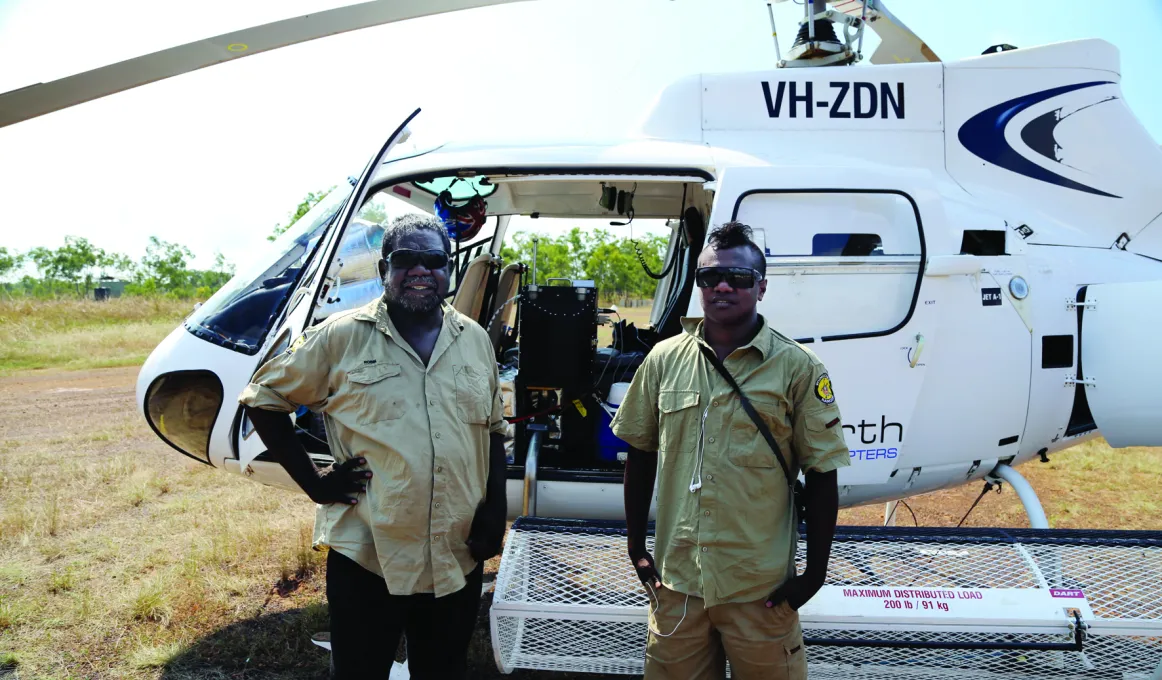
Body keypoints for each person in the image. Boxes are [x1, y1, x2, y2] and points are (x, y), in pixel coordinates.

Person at [239, 213, 507, 679]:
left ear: (449, 270)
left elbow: (492, 432)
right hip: (369, 554)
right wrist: (316, 484)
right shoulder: (341, 336)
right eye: (406, 260)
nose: (421, 270)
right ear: (385, 269)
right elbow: (265, 399)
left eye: (434, 260)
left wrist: (495, 511)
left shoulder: (476, 340)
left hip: (455, 552)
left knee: (443, 671)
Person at [612, 221, 850, 680]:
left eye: (738, 278)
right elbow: (640, 454)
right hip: (678, 584)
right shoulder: (663, 359)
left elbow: (823, 474)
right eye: (709, 277)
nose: (722, 286)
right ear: (698, 285)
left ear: (761, 287)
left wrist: (814, 575)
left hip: (759, 589)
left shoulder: (797, 368)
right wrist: (636, 545)